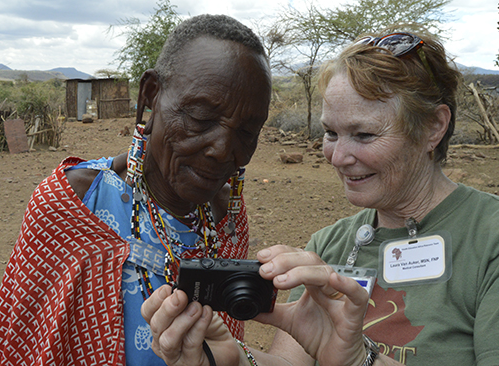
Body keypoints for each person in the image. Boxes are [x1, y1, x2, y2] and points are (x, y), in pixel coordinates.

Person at [141, 28, 499, 366]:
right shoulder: (329, 246)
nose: (338, 157)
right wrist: (227, 358)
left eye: (363, 134)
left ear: (433, 127)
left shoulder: (488, 239)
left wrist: (362, 359)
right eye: (331, 132)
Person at [0, 14, 272, 366]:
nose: (223, 149)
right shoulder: (73, 204)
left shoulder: (226, 218)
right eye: (200, 117)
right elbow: (21, 347)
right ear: (150, 94)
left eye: (247, 131)